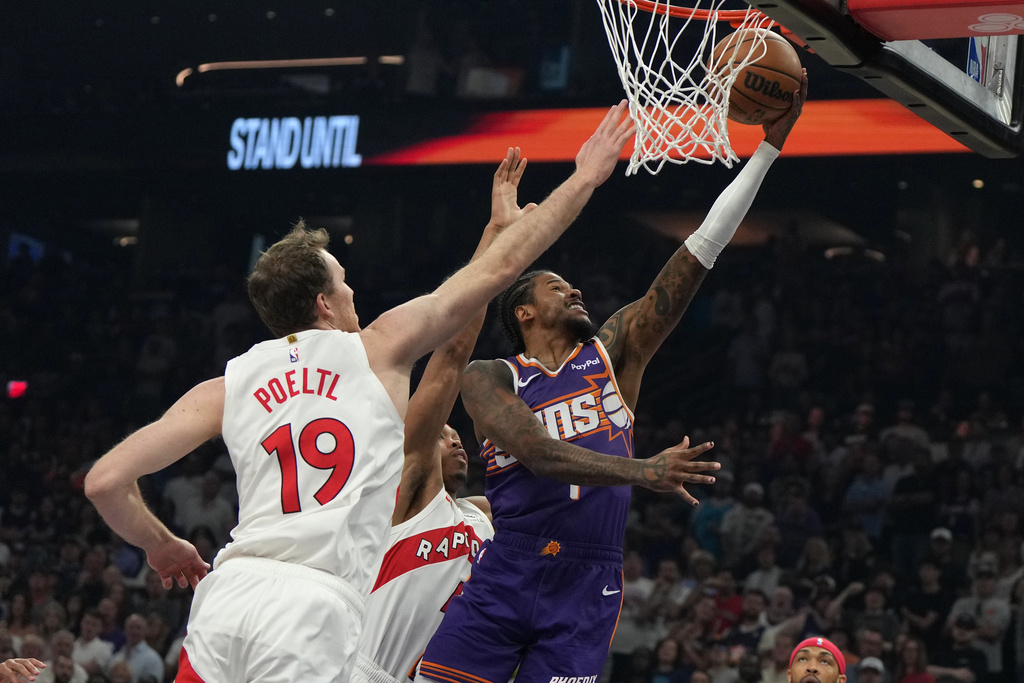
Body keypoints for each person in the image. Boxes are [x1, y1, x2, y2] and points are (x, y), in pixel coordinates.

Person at [82, 101, 649, 683]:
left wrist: (161, 546)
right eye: (345, 283)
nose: (354, 293)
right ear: (325, 303)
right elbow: (494, 278)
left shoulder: (227, 383)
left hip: (227, 597)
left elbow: (104, 481)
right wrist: (583, 178)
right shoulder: (377, 349)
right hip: (311, 609)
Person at [417, 74, 808, 683]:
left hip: (588, 578)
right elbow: (536, 452)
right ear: (522, 312)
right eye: (555, 287)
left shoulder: (614, 352)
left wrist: (768, 151)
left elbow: (699, 251)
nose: (574, 290)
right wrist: (643, 471)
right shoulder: (490, 376)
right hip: (508, 569)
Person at [354, 151, 528, 681]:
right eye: (443, 432)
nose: (455, 441)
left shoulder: (482, 517)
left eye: (457, 435)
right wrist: (497, 235)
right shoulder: (406, 495)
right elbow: (451, 354)